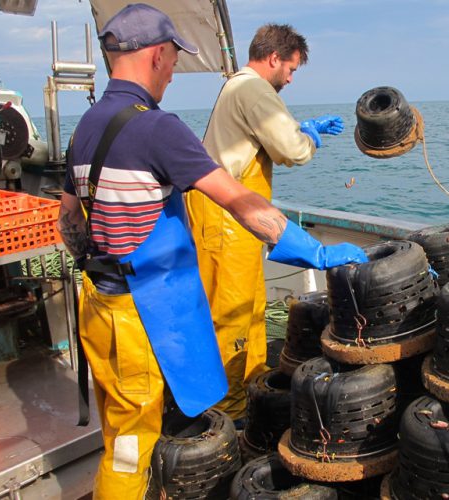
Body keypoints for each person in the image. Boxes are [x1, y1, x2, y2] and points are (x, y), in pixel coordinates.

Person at [57, 4, 366, 497]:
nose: (174, 75)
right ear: (156, 55)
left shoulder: (87, 126)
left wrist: (101, 263)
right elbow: (244, 204)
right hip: (138, 313)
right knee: (130, 446)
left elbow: (70, 218)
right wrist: (316, 253)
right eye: (174, 61)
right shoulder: (157, 127)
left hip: (96, 301)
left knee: (125, 424)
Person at [185, 24, 344, 420]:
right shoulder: (254, 89)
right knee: (231, 310)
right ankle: (226, 411)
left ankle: (251, 387)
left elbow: (266, 134)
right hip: (224, 213)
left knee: (250, 305)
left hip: (231, 213)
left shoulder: (239, 87)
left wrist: (301, 127)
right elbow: (291, 150)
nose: (290, 78)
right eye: (290, 69)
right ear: (274, 58)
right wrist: (308, 140)